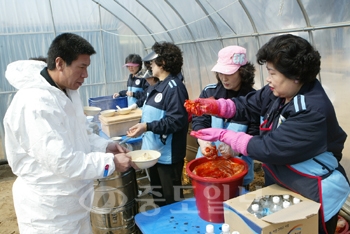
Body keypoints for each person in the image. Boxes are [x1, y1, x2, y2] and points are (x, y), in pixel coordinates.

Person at [185, 34, 349, 234]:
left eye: (272, 73)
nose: (268, 79)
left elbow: (270, 147)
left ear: (296, 75)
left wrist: (224, 135)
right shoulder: (278, 93)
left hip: (312, 190)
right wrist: (215, 106)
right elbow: (248, 104)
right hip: (282, 183)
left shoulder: (311, 109)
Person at [3, 33, 137, 234]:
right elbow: (62, 160)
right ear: (60, 63)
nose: (86, 75)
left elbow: (80, 133)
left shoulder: (66, 92)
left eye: (87, 67)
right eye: (81, 67)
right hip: (48, 211)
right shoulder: (35, 103)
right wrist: (110, 162)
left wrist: (105, 146)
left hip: (73, 202)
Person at [126, 42, 189, 207]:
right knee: (159, 197)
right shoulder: (156, 86)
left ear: (164, 63)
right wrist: (142, 125)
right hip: (153, 154)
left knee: (171, 201)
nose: (150, 66)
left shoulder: (174, 87)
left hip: (168, 156)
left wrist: (146, 127)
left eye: (153, 62)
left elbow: (176, 120)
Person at [191, 45, 258, 189]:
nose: (224, 78)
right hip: (207, 163)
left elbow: (255, 133)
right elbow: (199, 118)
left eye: (229, 73)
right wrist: (202, 140)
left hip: (237, 171)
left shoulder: (253, 99)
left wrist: (236, 149)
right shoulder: (210, 92)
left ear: (243, 72)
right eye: (220, 73)